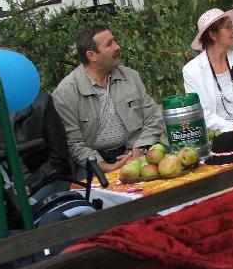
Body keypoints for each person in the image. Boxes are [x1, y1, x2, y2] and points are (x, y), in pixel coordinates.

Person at [53, 25, 165, 175]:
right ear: (92, 55)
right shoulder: (66, 92)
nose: (117, 47)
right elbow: (73, 144)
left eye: (115, 41)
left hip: (134, 152)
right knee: (92, 187)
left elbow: (153, 117)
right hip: (91, 164)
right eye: (109, 44)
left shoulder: (130, 76)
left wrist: (140, 149)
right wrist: (105, 167)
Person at [182, 8, 233, 132]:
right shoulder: (192, 71)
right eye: (228, 26)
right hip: (220, 137)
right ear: (213, 35)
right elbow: (202, 114)